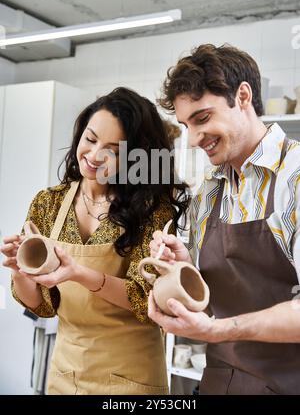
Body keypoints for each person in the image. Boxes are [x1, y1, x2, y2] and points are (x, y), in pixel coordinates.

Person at [1, 87, 189, 395]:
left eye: (113, 150)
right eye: (90, 139)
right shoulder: (49, 202)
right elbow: (42, 306)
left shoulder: (152, 209)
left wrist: (78, 273)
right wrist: (20, 271)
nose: (93, 155)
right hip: (66, 373)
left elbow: (147, 300)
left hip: (130, 377)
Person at [148, 44, 300, 395]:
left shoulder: (293, 178)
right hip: (220, 383)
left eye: (202, 118)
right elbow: (218, 296)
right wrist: (185, 268)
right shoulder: (209, 190)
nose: (194, 138)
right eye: (186, 125)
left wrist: (219, 330)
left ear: (243, 96)